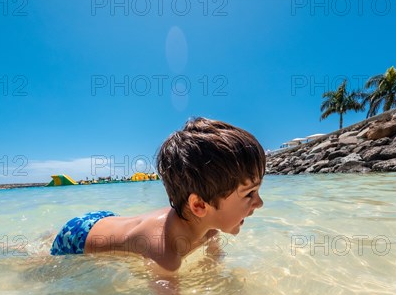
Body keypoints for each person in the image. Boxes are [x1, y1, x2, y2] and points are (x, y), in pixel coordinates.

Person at [50, 117, 265, 274]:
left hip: (109, 220)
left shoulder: (210, 230)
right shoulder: (165, 253)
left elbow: (213, 263)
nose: (260, 203)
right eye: (249, 194)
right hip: (77, 237)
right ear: (199, 206)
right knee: (37, 262)